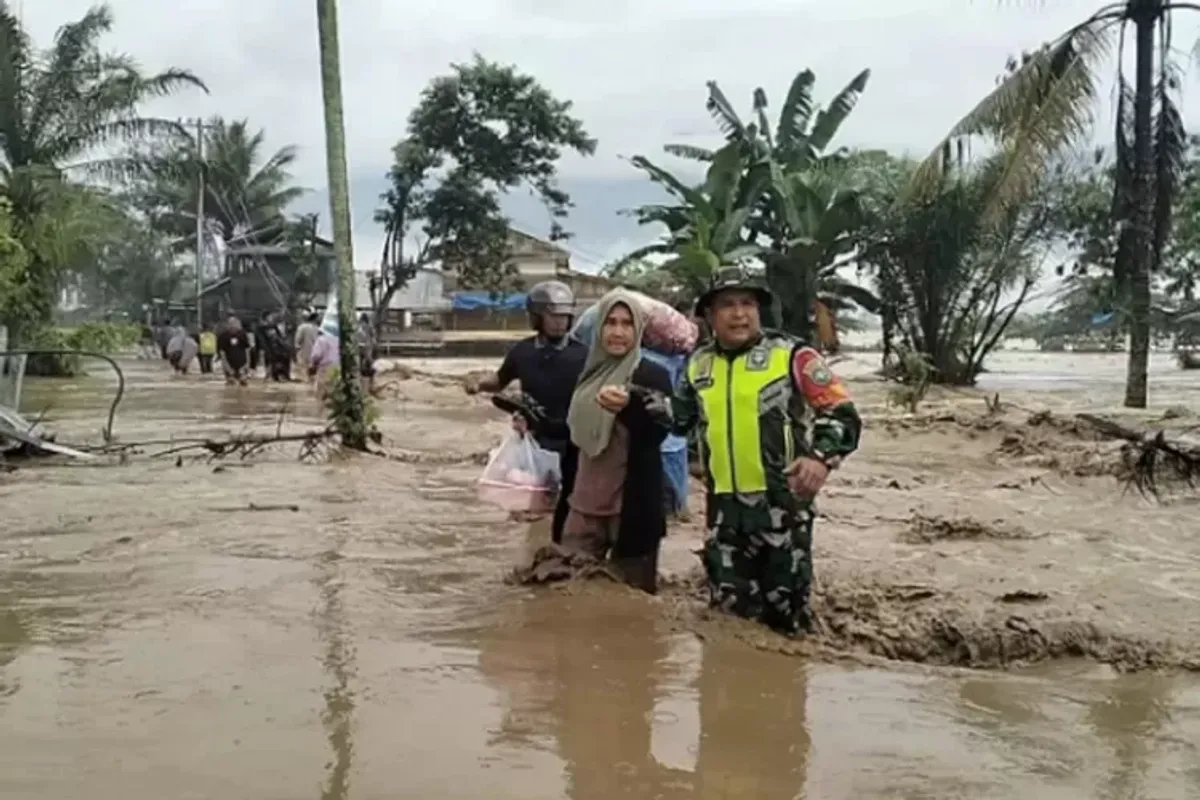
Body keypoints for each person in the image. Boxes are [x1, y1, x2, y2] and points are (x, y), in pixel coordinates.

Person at [672, 266, 862, 635]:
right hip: (724, 517)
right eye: (727, 305)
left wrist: (820, 459)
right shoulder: (698, 365)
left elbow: (842, 413)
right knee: (728, 625)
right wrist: (634, 401)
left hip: (782, 512)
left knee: (787, 626)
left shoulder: (793, 356)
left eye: (747, 303)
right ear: (709, 315)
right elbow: (677, 421)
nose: (739, 313)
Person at [549, 290, 674, 593]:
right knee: (570, 598)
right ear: (599, 327)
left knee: (632, 604)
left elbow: (659, 430)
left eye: (627, 324)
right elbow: (571, 435)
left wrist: (630, 406)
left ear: (638, 330)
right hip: (582, 507)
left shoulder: (651, 375)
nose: (618, 332)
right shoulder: (585, 375)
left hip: (630, 512)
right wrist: (531, 419)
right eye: (611, 322)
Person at [464, 280, 588, 543]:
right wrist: (478, 383)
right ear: (537, 317)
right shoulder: (522, 352)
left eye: (564, 316)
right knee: (531, 505)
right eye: (553, 316)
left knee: (571, 503)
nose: (559, 322)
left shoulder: (584, 355)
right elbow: (499, 381)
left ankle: (562, 547)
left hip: (574, 440)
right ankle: (536, 548)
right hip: (536, 440)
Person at [216, 314, 251, 385]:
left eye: (235, 323)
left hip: (242, 365)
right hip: (229, 365)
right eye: (230, 323)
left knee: (243, 383)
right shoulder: (223, 336)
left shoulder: (243, 334)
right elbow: (222, 353)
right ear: (227, 325)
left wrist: (247, 364)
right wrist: (227, 367)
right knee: (231, 384)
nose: (233, 325)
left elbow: (247, 350)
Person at [294, 311, 320, 380]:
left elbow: (298, 338)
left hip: (307, 349)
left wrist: (297, 346)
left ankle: (308, 378)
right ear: (314, 318)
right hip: (310, 348)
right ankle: (309, 378)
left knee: (307, 364)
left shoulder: (303, 327)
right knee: (310, 364)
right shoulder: (316, 328)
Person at [356, 312, 377, 393]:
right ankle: (371, 382)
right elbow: (373, 338)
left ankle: (363, 383)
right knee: (368, 363)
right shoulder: (369, 326)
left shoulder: (359, 326)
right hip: (367, 347)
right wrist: (373, 344)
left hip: (361, 347)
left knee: (362, 364)